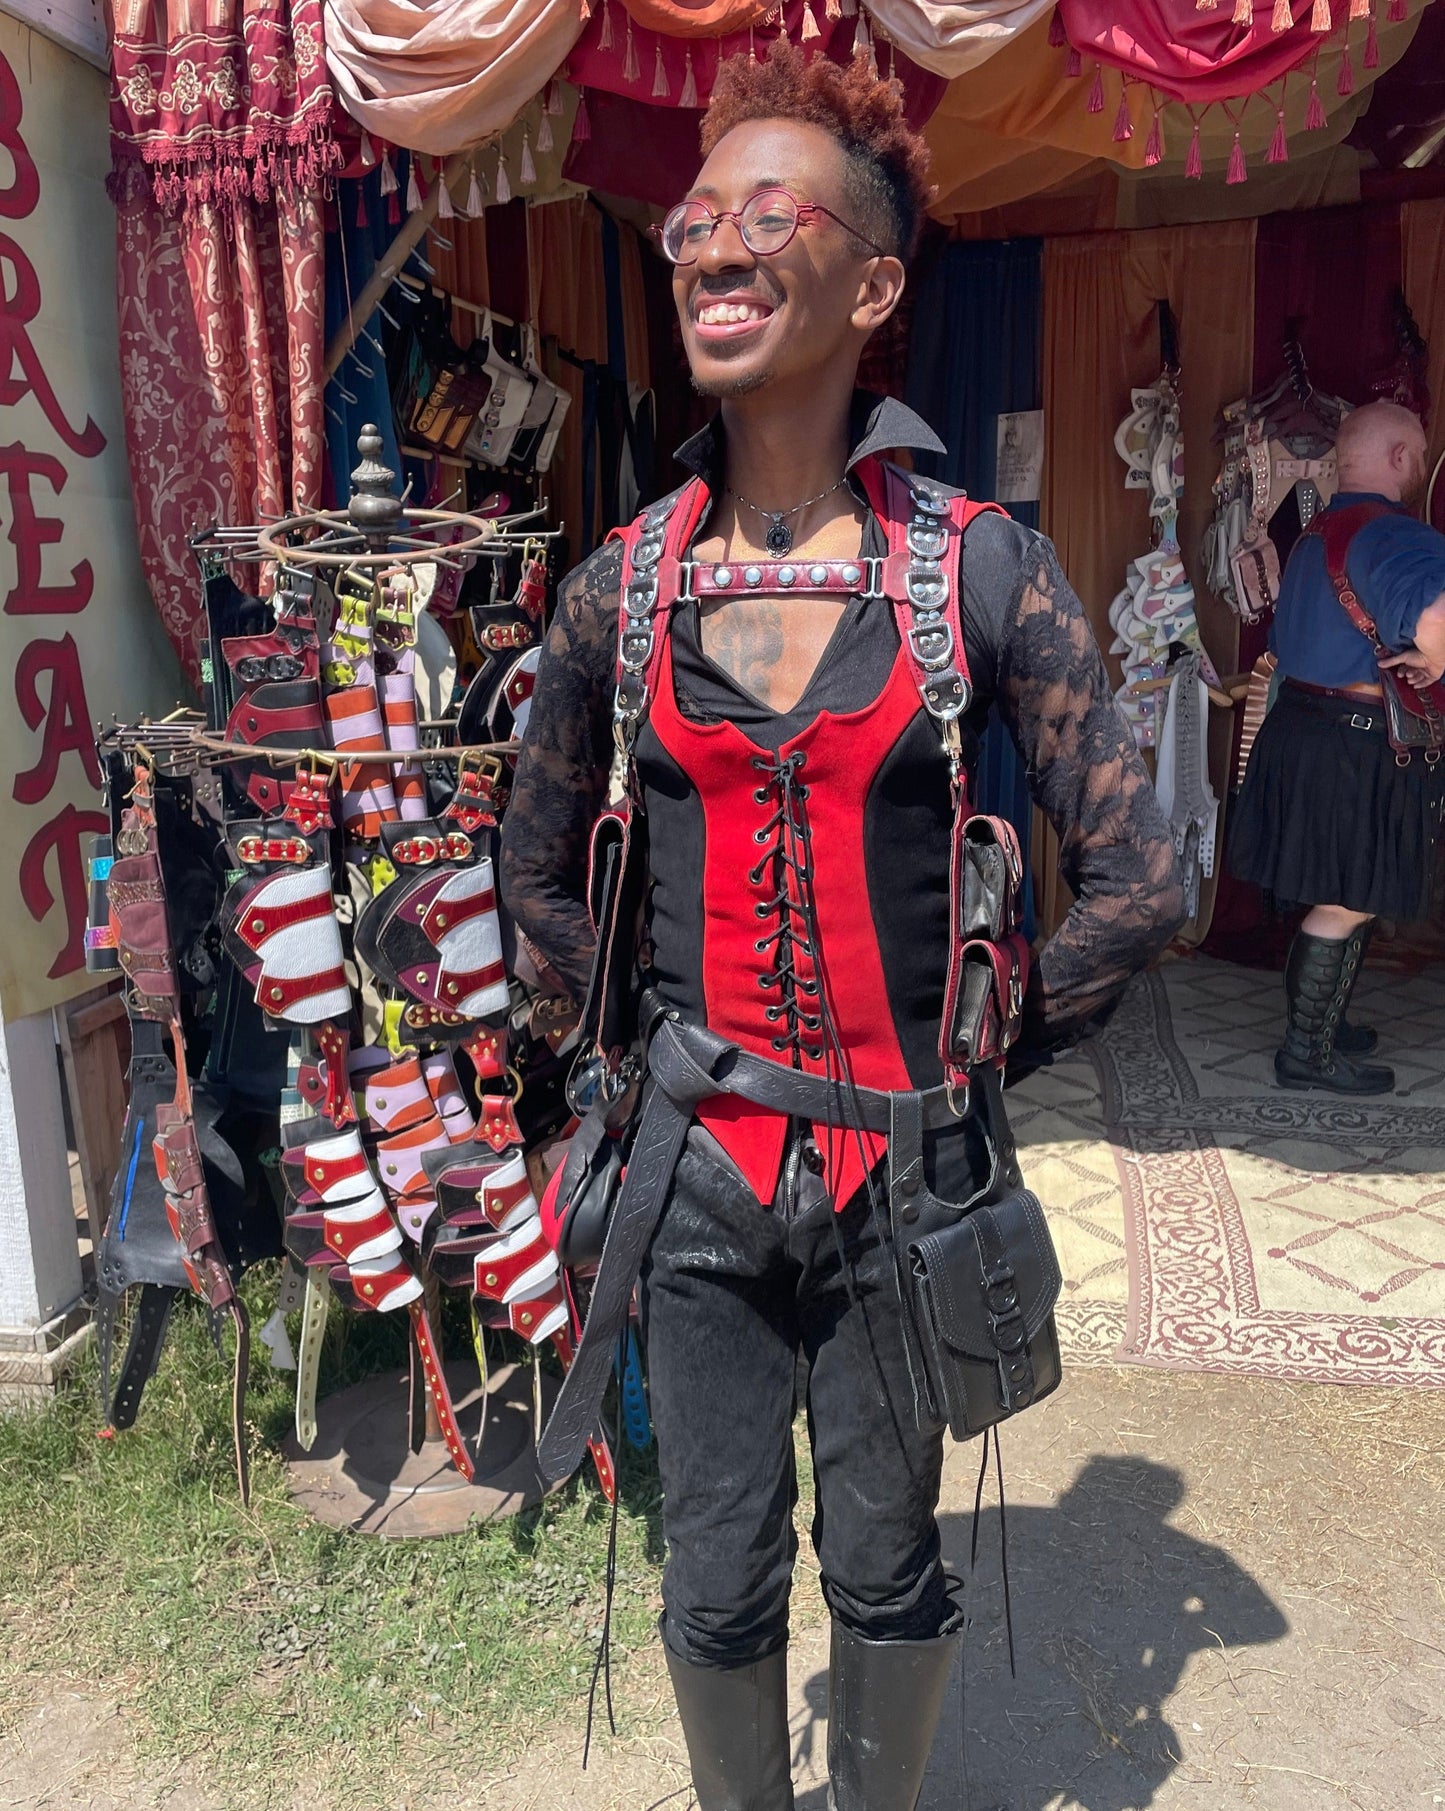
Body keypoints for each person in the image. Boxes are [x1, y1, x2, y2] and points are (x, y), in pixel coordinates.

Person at [500, 45, 1184, 1811]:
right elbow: (531, 874)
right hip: (700, 1180)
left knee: (885, 1561)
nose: (713, 249)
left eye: (766, 217)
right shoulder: (619, 585)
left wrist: (976, 1046)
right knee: (713, 1566)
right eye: (693, 223)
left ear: (874, 285)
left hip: (909, 1182)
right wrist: (599, 1090)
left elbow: (1145, 877)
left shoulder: (984, 569)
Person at [1231, 399, 1445, 1097]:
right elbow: (1438, 618)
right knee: (1347, 900)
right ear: (1394, 458)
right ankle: (1305, 1053)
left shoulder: (1311, 534)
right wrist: (1437, 662)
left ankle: (1323, 1026)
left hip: (1299, 728)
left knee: (1334, 892)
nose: (1416, 469)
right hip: (1355, 744)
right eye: (1414, 455)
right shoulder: (1394, 535)